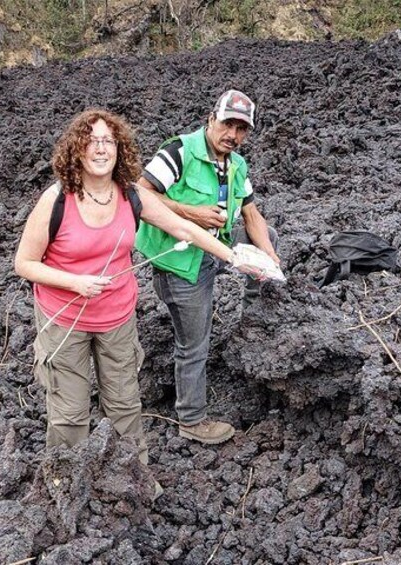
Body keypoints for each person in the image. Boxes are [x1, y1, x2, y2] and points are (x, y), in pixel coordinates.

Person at [14, 109, 255, 467]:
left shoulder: (130, 195)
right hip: (65, 321)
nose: (100, 149)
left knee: (125, 406)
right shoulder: (56, 200)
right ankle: (67, 484)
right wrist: (75, 282)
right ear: (76, 149)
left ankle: (135, 479)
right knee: (70, 413)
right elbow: (24, 264)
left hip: (117, 318)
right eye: (91, 141)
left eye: (108, 141)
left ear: (119, 149)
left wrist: (235, 257)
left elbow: (184, 229)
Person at [135, 90, 280, 445]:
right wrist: (190, 212)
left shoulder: (236, 164)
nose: (233, 134)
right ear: (210, 118)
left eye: (242, 128)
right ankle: (191, 419)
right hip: (181, 260)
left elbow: (250, 212)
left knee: (269, 235)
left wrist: (269, 259)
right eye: (228, 123)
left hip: (218, 246)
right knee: (194, 342)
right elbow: (138, 194)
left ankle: (256, 317)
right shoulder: (180, 152)